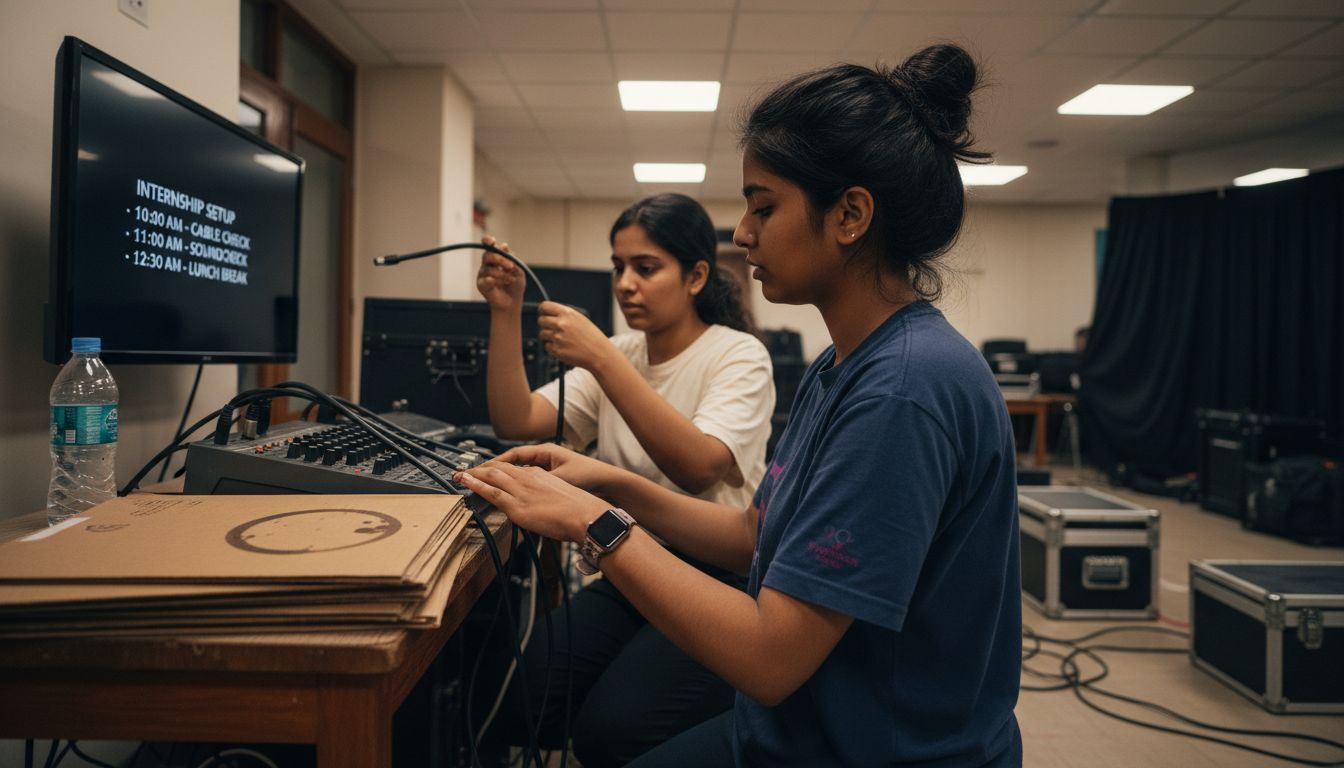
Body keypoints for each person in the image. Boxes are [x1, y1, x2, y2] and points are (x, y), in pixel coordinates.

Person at [459, 43, 1022, 767]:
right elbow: (755, 534)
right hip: (803, 725)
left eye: (764, 206)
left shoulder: (903, 390)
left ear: (850, 214)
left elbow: (769, 658)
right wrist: (606, 482)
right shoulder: (844, 365)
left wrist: (593, 522)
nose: (744, 233)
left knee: (611, 735)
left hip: (871, 750)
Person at [475, 193, 775, 767]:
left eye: (646, 267)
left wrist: (601, 359)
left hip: (714, 579)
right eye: (618, 267)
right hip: (628, 564)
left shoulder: (737, 356)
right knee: (524, 698)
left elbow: (699, 467)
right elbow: (516, 420)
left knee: (610, 733)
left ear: (696, 277)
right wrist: (505, 313)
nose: (625, 284)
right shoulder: (621, 352)